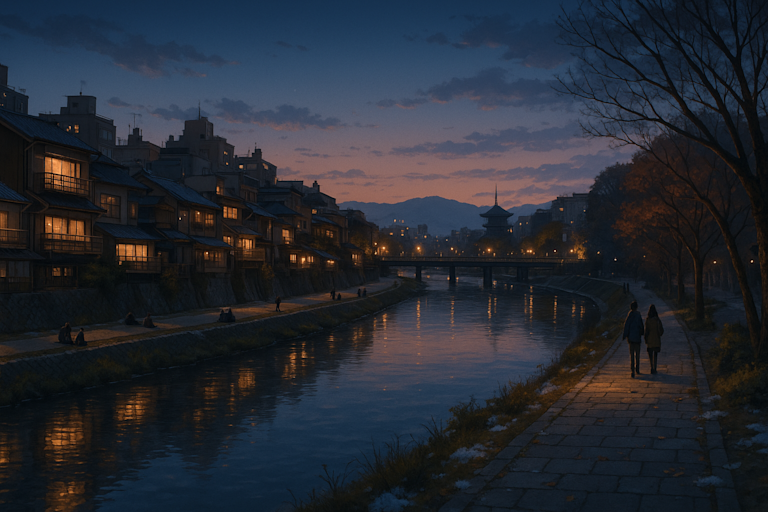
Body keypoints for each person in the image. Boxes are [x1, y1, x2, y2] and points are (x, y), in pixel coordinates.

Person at [622, 300, 644, 378]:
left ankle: (632, 370)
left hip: (631, 338)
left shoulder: (630, 315)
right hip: (637, 338)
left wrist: (624, 335)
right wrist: (642, 333)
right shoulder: (638, 315)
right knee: (637, 354)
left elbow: (626, 326)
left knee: (632, 355)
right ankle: (637, 368)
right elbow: (641, 326)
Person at [645, 304, 664, 374]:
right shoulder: (657, 320)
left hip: (650, 340)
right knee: (655, 354)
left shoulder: (648, 320)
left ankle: (651, 366)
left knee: (650, 354)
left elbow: (646, 331)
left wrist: (645, 339)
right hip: (656, 340)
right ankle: (655, 367)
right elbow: (661, 331)